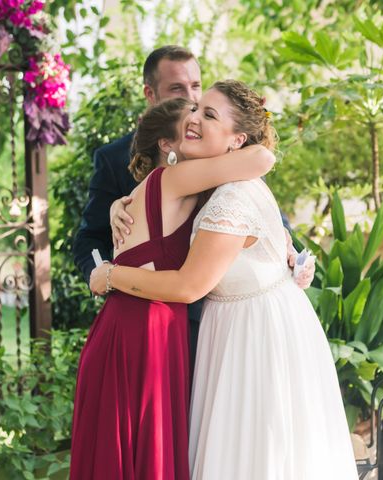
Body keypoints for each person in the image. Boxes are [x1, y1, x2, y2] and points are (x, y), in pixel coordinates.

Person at [90, 80, 359, 480]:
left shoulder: (228, 195)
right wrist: (118, 206)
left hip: (250, 339)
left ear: (238, 140)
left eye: (207, 114)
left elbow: (189, 284)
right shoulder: (209, 189)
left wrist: (108, 274)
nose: (193, 119)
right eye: (195, 110)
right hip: (226, 331)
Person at [69, 96, 276, 480]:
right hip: (141, 328)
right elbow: (261, 159)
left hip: (147, 324)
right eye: (191, 121)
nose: (198, 123)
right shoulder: (174, 178)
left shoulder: (187, 190)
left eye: (204, 115)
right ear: (167, 146)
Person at [72, 45, 206, 363]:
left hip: (218, 319)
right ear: (150, 93)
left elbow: (256, 209)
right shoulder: (113, 158)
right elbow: (89, 238)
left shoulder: (221, 145)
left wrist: (289, 250)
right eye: (177, 88)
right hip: (150, 327)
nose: (192, 96)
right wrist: (103, 273)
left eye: (196, 85)